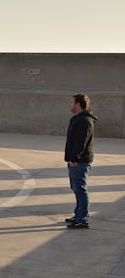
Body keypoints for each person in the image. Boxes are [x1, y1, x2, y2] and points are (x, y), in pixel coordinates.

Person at [64, 93, 97, 229]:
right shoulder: (77, 119)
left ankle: (82, 219)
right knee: (76, 188)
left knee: (80, 189)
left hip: (79, 162)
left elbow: (80, 143)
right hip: (75, 160)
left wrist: (74, 159)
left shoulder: (84, 121)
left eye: (72, 102)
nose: (70, 105)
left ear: (78, 104)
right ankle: (78, 214)